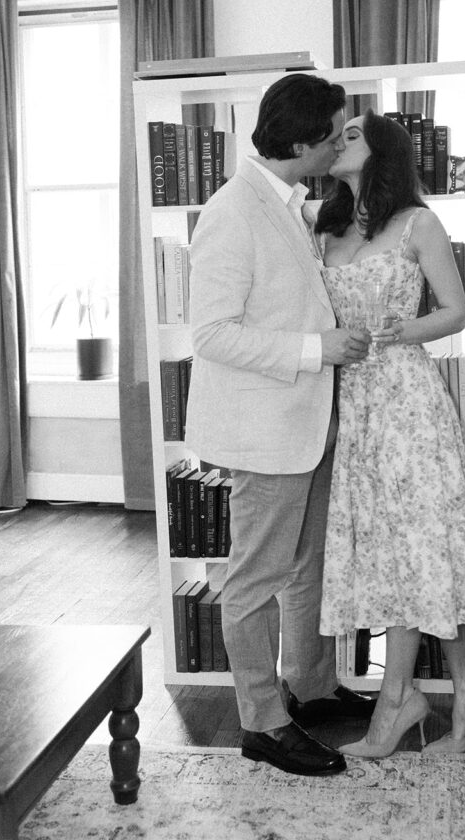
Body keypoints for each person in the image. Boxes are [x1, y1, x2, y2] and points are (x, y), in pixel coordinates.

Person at [184, 74, 374, 777]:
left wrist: (322, 335)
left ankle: (313, 689)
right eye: (333, 136)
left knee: (308, 568)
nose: (340, 145)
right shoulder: (232, 211)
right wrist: (313, 348)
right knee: (255, 580)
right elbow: (211, 334)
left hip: (305, 420)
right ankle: (262, 721)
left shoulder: (290, 203)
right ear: (299, 142)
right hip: (264, 431)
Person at [314, 109, 465, 758]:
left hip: (409, 398)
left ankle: (403, 702)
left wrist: (406, 331)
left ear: (381, 151)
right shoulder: (326, 225)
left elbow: (455, 311)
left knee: (418, 546)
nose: (337, 139)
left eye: (349, 133)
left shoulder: (418, 222)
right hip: (357, 404)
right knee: (412, 552)